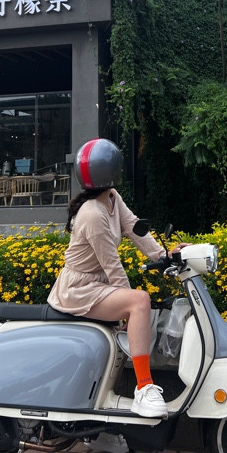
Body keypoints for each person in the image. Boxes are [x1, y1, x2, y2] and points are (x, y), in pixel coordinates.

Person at [47, 138, 184, 418]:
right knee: (139, 302)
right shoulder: (92, 214)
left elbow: (134, 227)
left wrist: (163, 255)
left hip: (94, 284)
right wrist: (126, 308)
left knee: (135, 308)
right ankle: (144, 387)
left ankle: (116, 412)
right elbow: (112, 265)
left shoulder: (111, 197)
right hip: (79, 289)